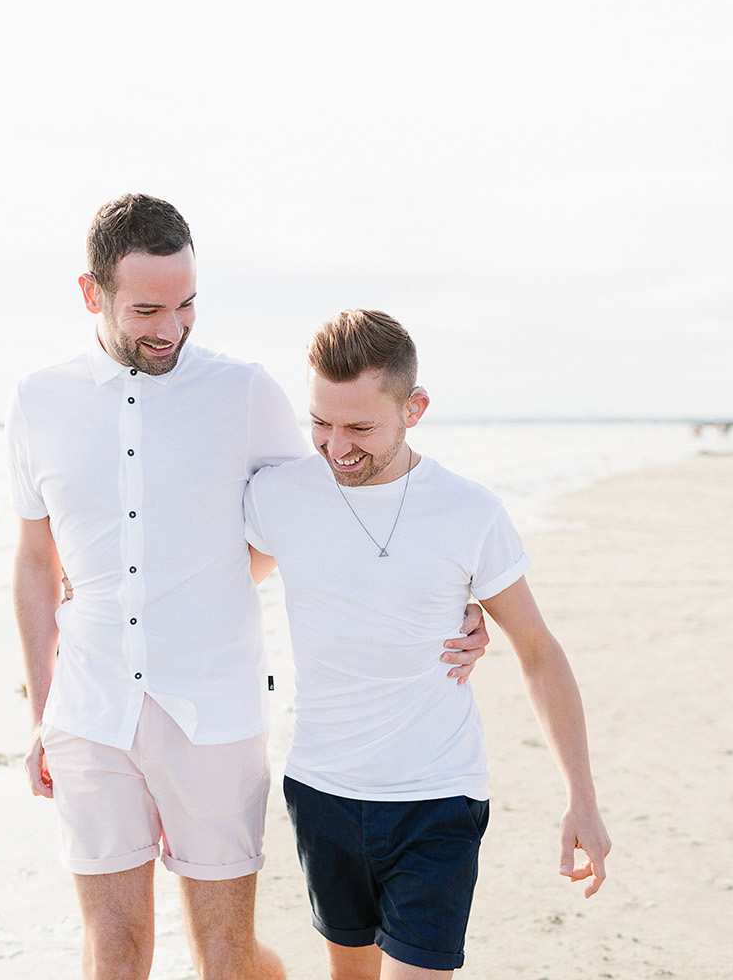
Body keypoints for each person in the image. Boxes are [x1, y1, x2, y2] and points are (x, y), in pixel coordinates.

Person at [7, 197, 491, 980]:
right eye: (147, 308)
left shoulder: (243, 393)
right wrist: (40, 715)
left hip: (215, 710)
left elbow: (330, 511)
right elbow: (34, 562)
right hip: (88, 710)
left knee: (224, 957)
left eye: (188, 302)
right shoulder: (38, 401)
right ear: (91, 293)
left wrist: (456, 603)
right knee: (113, 950)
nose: (172, 326)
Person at [243, 309, 611, 979]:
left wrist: (580, 797)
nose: (336, 447)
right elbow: (210, 584)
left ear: (414, 408)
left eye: (360, 427)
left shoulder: (468, 512)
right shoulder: (278, 495)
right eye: (321, 422)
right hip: (321, 790)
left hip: (437, 799)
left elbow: (538, 650)